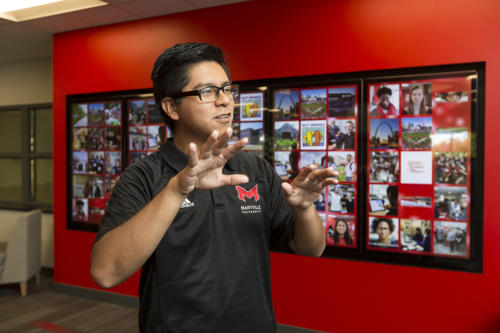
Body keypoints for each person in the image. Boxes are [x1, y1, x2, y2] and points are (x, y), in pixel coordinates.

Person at [90, 43, 338, 333]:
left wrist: (304, 209)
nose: (224, 101)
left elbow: (312, 248)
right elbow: (105, 273)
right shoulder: (144, 177)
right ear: (172, 107)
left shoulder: (255, 169)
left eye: (227, 89)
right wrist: (177, 190)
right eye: (207, 91)